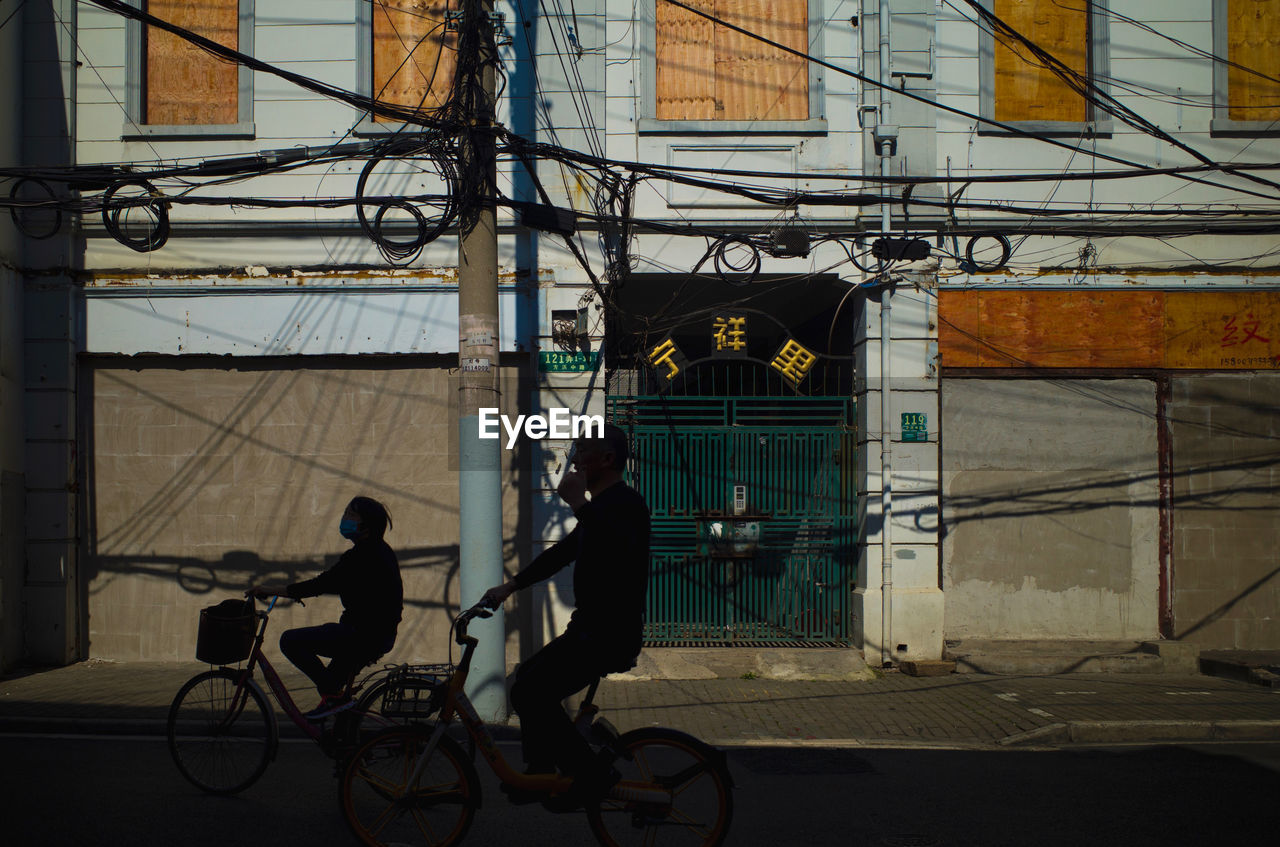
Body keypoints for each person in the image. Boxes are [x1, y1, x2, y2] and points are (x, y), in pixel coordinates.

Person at [481, 423, 650, 806]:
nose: (573, 457)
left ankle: (590, 775)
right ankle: (541, 771)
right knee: (526, 679)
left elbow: (616, 548)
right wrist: (512, 585)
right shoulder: (601, 510)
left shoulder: (627, 504)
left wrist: (578, 504)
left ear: (606, 459)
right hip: (590, 629)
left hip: (609, 634)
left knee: (530, 692)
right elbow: (562, 552)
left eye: (582, 449)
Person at [250, 496, 402, 720]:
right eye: (345, 513)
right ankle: (346, 737)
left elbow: (323, 583)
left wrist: (274, 589)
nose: (344, 519)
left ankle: (334, 699)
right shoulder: (380, 551)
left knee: (290, 641)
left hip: (362, 635)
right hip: (376, 635)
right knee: (329, 686)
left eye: (351, 515)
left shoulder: (362, 555)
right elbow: (337, 583)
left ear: (366, 526)